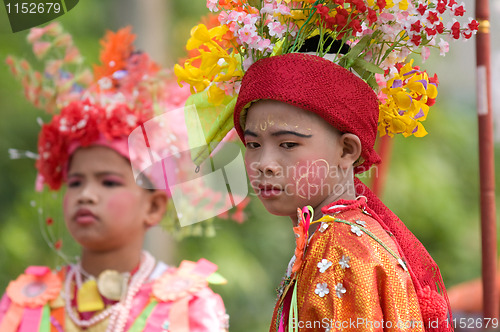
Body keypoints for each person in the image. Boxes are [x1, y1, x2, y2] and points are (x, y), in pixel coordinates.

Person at [174, 1, 477, 330]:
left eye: (288, 144)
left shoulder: (338, 249)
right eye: (253, 145)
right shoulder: (336, 235)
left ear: (347, 150)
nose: (264, 164)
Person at [0, 23, 229, 332]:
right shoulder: (27, 302)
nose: (86, 195)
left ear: (154, 207)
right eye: (76, 182)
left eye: (108, 182)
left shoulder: (186, 307)